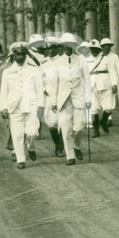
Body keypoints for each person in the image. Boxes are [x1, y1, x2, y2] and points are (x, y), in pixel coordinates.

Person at [43, 33, 92, 166]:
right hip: (63, 100)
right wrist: (54, 102)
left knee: (80, 126)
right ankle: (70, 156)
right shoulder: (57, 62)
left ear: (73, 46)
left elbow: (87, 81)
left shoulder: (81, 60)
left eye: (70, 45)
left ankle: (76, 146)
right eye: (65, 45)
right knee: (65, 128)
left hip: (79, 97)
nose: (68, 48)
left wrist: (88, 99)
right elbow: (55, 84)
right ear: (62, 46)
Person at [0, 42, 43, 169]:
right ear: (13, 55)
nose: (21, 57)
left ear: (26, 55)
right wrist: (3, 107)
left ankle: (30, 146)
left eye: (23, 54)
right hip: (15, 106)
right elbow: (4, 91)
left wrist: (41, 105)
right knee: (17, 134)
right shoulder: (7, 72)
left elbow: (40, 89)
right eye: (18, 54)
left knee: (33, 132)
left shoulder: (34, 70)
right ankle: (21, 160)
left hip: (31, 105)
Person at [87, 39, 118, 138]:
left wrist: (114, 84)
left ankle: (103, 121)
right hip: (92, 86)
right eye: (92, 49)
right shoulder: (87, 60)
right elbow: (85, 74)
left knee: (109, 108)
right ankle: (96, 131)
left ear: (99, 49)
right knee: (94, 109)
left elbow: (112, 72)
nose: (93, 51)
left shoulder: (106, 59)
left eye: (95, 49)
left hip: (105, 85)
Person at [96, 37, 119, 133]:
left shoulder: (114, 57)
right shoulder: (98, 56)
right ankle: (100, 121)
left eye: (108, 46)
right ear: (102, 47)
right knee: (100, 102)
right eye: (105, 46)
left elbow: (118, 69)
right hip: (99, 81)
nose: (107, 47)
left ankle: (107, 119)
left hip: (111, 80)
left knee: (110, 102)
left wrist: (117, 82)